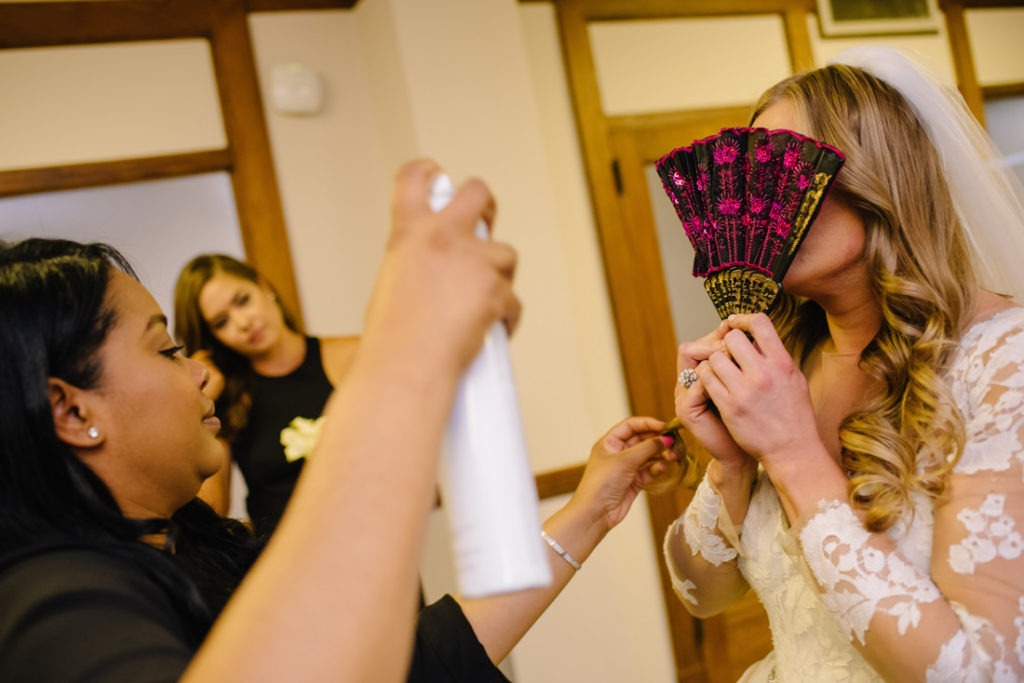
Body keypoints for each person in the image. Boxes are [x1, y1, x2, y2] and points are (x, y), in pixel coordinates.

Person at [0, 159, 679, 682]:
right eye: (169, 347)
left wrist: (591, 507)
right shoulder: (48, 608)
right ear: (72, 409)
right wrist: (404, 360)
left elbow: (413, 658)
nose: (202, 370)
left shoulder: (195, 546)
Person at [662, 47, 1024, 681]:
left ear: (883, 177)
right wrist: (732, 464)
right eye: (752, 180)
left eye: (788, 173)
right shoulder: (785, 362)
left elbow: (982, 672)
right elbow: (703, 596)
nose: (762, 204)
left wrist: (796, 456)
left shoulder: (1001, 362)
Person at [173, 252, 358, 534]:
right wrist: (200, 404)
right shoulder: (228, 400)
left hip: (375, 552)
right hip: (285, 568)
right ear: (212, 338)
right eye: (222, 322)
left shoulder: (353, 356)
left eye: (243, 300)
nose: (243, 323)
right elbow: (209, 514)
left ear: (264, 287)